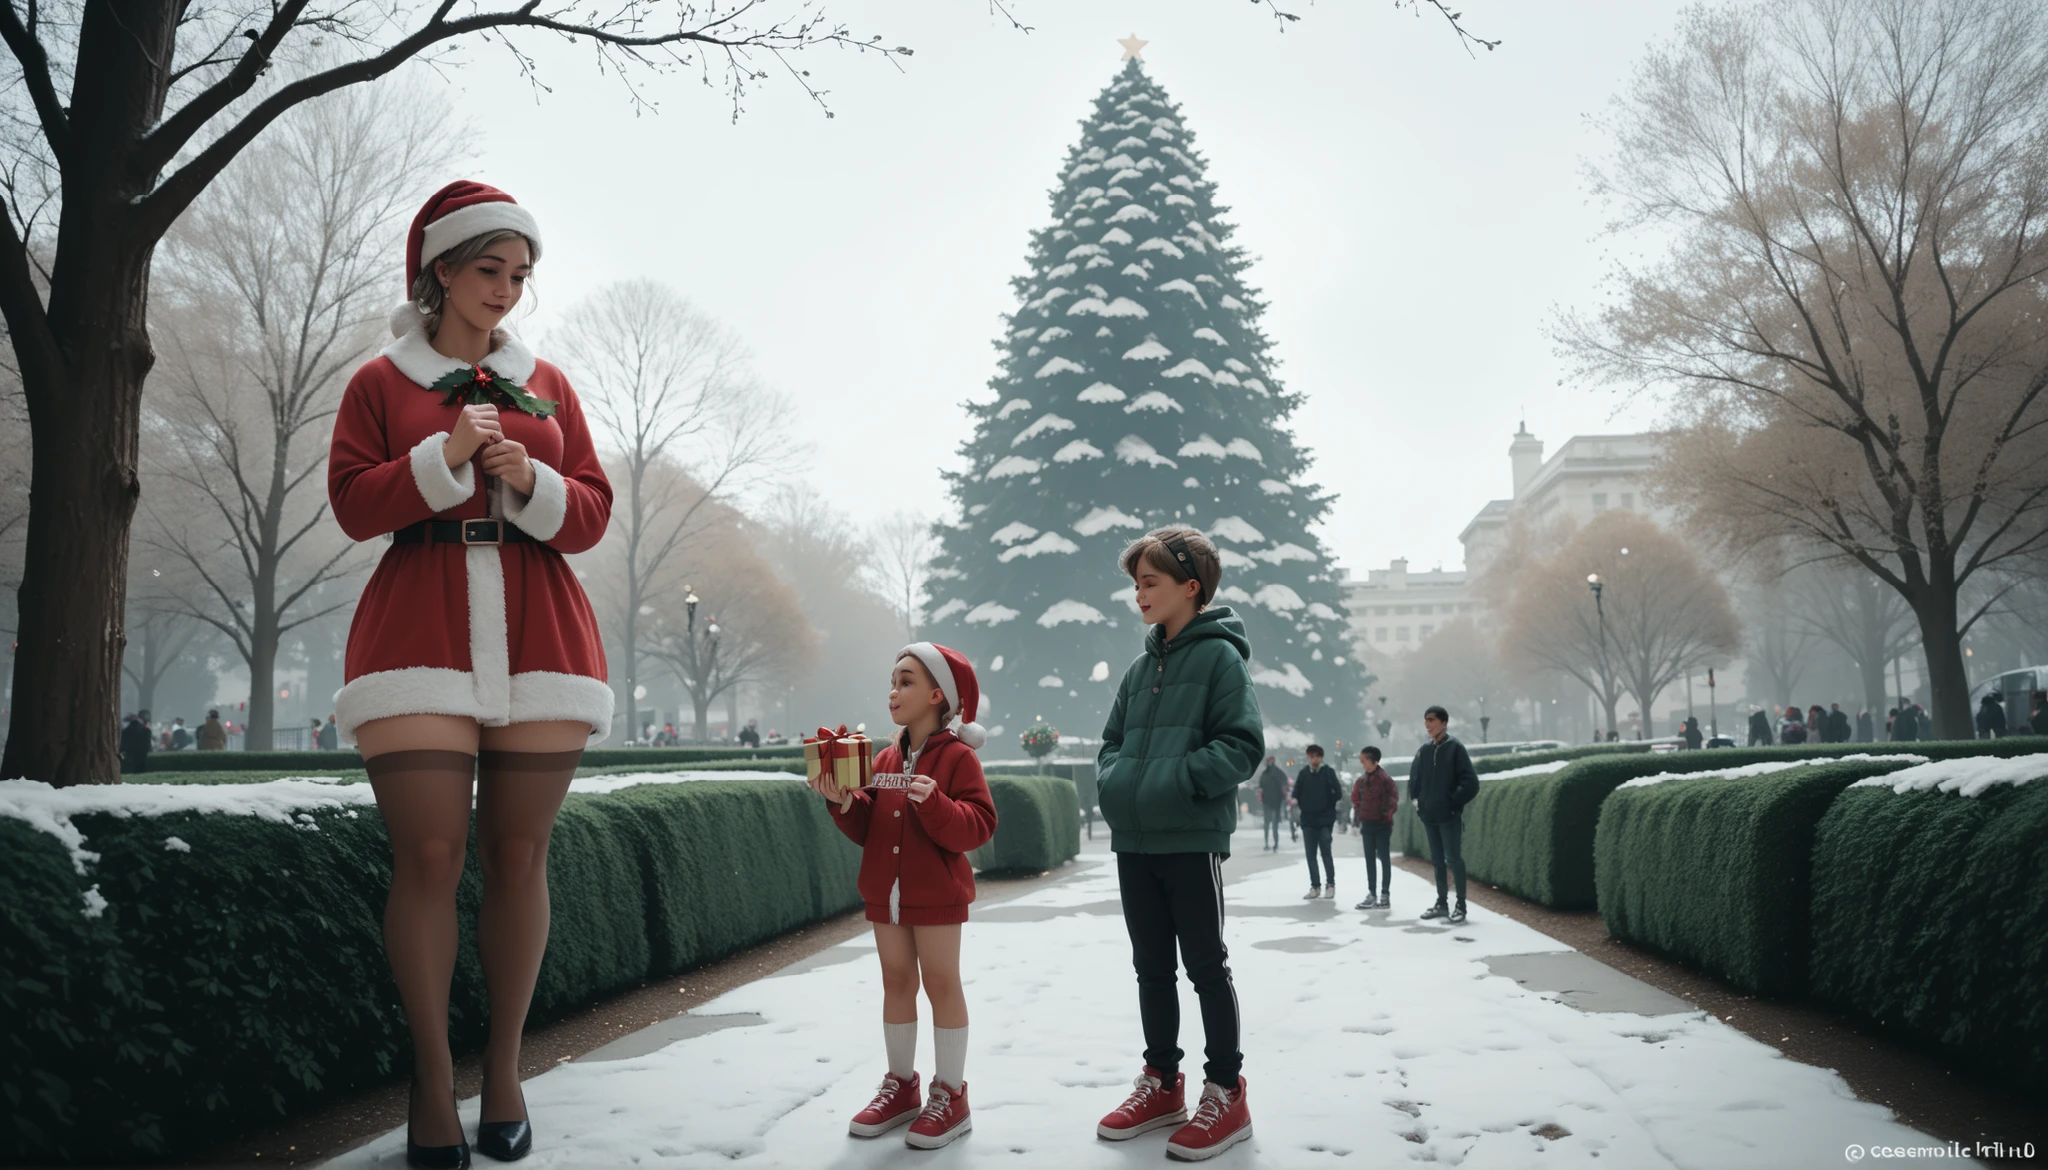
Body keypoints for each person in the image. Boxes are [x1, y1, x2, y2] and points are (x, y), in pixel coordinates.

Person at [326, 182, 615, 1167]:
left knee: (520, 856)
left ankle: (501, 1069)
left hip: (541, 632)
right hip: (419, 624)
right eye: (489, 270)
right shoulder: (379, 381)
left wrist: (528, 477)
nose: (506, 291)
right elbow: (354, 507)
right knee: (431, 856)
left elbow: (590, 513)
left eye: (520, 276)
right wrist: (443, 457)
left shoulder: (550, 384)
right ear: (440, 270)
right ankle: (429, 1076)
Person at [1094, 526, 1260, 1161]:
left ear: (1191, 588)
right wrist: (1117, 784)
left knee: (1205, 967)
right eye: (1136, 583)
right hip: (1134, 842)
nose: (1138, 593)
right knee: (1150, 968)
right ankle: (1162, 1083)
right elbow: (1111, 744)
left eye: (1150, 582)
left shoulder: (1221, 659)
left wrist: (1175, 783)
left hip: (1190, 839)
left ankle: (1226, 1091)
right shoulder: (1139, 670)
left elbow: (1241, 745)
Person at [814, 643, 998, 1150]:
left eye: (907, 681)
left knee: (941, 982)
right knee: (895, 981)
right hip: (884, 894)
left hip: (936, 893)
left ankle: (951, 1094)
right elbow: (868, 826)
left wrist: (937, 805)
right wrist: (843, 804)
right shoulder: (885, 757)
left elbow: (978, 826)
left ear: (938, 694)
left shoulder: (960, 758)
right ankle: (902, 1086)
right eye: (893, 681)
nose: (894, 691)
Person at [1409, 705, 1480, 924]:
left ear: (1444, 722)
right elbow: (1415, 780)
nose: (1428, 724)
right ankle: (1441, 903)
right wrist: (1419, 803)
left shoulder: (1455, 748)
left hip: (1448, 816)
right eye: (1425, 720)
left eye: (1431, 720)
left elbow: (1470, 783)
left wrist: (1452, 803)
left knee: (1454, 860)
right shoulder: (1424, 750)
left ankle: (1461, 905)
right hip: (1429, 816)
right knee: (1438, 861)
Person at [1350, 746, 1396, 910]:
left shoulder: (1385, 780)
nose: (1362, 763)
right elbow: (1355, 799)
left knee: (1384, 859)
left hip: (1382, 825)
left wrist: (1385, 816)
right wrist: (1358, 816)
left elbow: (1393, 800)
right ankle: (1372, 892)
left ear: (1374, 761)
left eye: (1364, 760)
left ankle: (1384, 893)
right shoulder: (1361, 781)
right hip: (1367, 824)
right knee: (1370, 859)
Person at [1293, 745, 1342, 900]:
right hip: (1308, 820)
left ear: (1321, 757)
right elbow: (1296, 794)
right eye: (1311, 756)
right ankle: (1315, 886)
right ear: (1308, 757)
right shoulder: (1303, 774)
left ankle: (1330, 885)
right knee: (1310, 855)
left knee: (1326, 852)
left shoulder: (1328, 773)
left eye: (1317, 757)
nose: (1314, 760)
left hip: (1325, 820)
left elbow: (1338, 793)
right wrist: (1304, 808)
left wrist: (1328, 806)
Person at [1256, 755, 1287, 852]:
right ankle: (1269, 844)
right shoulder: (1270, 773)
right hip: (1269, 802)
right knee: (1270, 825)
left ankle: (1274, 844)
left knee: (1272, 825)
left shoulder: (1270, 773)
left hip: (1273, 802)